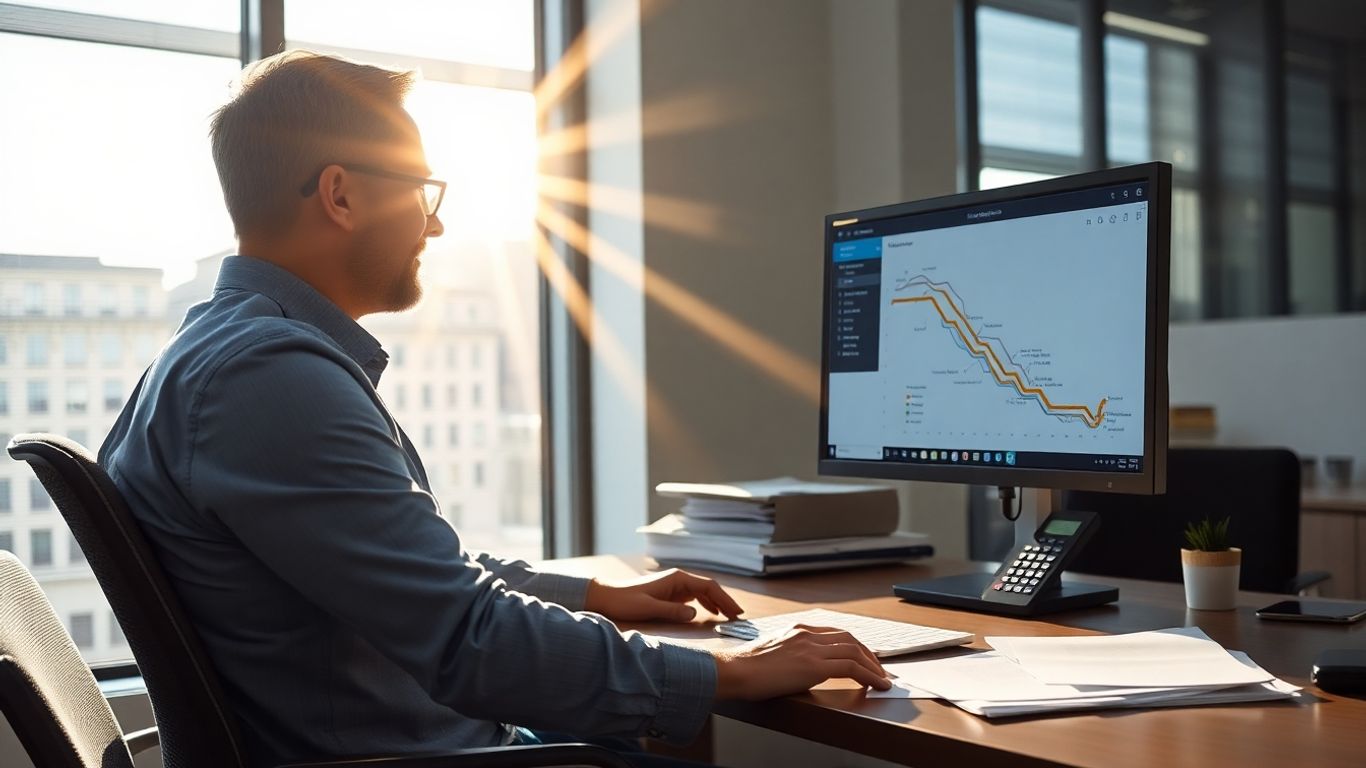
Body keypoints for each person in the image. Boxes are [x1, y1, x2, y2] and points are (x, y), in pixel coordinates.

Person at [99, 50, 891, 768]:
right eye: (421, 191)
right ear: (340, 194)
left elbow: (413, 577)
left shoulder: (218, 355)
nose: (435, 222)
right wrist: (732, 669)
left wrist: (591, 596)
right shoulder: (268, 380)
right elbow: (466, 639)